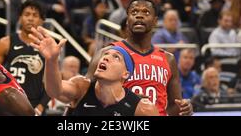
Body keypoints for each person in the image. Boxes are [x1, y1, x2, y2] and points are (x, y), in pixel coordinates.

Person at [87, 0, 193, 116]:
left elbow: (175, 105)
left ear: (155, 21)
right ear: (127, 20)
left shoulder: (168, 59)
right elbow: (85, 96)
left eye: (146, 12)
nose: (139, 15)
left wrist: (184, 108)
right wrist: (127, 99)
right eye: (134, 12)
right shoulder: (107, 53)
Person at [29, 26, 159, 116]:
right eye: (106, 54)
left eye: (116, 57)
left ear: (126, 74)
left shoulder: (142, 108)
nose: (107, 57)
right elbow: (55, 90)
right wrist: (51, 60)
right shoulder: (82, 87)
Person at [0, 0, 50, 115]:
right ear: (20, 18)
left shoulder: (47, 46)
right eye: (26, 14)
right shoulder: (6, 42)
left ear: (42, 20)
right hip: (8, 103)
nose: (30, 18)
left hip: (33, 105)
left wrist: (40, 107)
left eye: (35, 15)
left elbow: (52, 83)